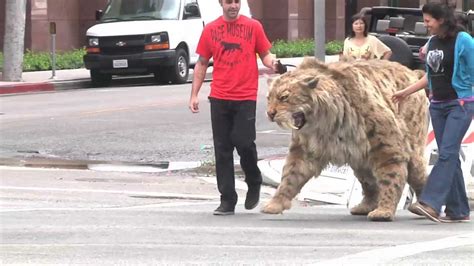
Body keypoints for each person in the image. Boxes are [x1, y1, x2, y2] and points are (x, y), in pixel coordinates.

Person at [188, 0, 278, 215]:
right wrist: (194, 95)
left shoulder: (253, 26)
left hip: (245, 96)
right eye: (229, 2)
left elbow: (265, 55)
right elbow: (201, 63)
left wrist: (273, 63)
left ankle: (254, 179)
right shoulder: (210, 29)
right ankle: (227, 199)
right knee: (222, 149)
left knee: (245, 143)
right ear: (221, 3)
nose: (233, 6)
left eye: (237, 1)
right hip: (219, 96)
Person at [392, 2, 474, 223]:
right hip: (437, 105)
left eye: (428, 20)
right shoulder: (431, 42)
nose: (425, 24)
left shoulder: (463, 40)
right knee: (451, 156)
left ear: (441, 20)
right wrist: (405, 92)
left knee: (446, 152)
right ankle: (458, 211)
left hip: (460, 103)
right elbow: (431, 75)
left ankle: (431, 202)